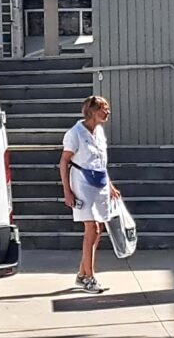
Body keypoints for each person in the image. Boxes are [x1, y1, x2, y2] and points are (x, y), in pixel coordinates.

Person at [59, 95, 121, 294]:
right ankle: (90, 277)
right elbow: (64, 162)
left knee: (98, 229)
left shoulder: (100, 132)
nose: (107, 112)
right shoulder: (75, 133)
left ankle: (82, 273)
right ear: (93, 111)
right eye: (104, 109)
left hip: (100, 182)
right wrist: (67, 192)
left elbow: (101, 161)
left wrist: (110, 185)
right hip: (82, 182)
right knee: (91, 228)